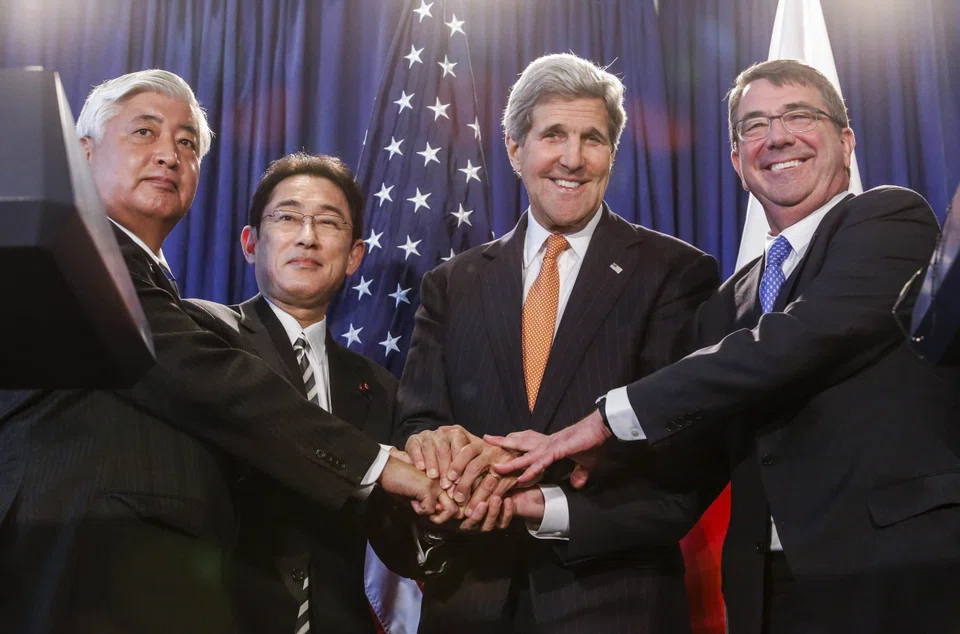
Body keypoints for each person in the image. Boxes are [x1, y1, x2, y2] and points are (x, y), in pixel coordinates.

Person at [490, 59, 960, 634]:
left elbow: (799, 338)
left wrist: (607, 419)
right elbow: (690, 461)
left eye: (800, 116)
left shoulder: (889, 218)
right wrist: (541, 504)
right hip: (768, 595)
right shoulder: (724, 304)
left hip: (901, 576)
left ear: (845, 141)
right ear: (738, 162)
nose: (778, 137)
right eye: (755, 126)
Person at [0, 70, 454, 634]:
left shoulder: (377, 386)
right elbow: (202, 377)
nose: (169, 154)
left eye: (187, 143)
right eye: (144, 132)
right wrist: (381, 463)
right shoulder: (75, 256)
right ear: (83, 152)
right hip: (76, 568)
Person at [393, 53, 720, 633]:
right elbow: (417, 422)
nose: (572, 158)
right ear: (515, 149)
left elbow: (683, 452)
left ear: (612, 153)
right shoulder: (451, 284)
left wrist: (543, 505)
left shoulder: (674, 273)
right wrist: (440, 455)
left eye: (592, 138)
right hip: (468, 601)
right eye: (553, 136)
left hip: (614, 605)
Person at [187, 152, 403, 633]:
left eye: (328, 222)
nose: (308, 236)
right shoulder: (205, 334)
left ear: (354, 255)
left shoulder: (381, 388)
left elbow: (394, 537)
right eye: (287, 218)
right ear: (250, 243)